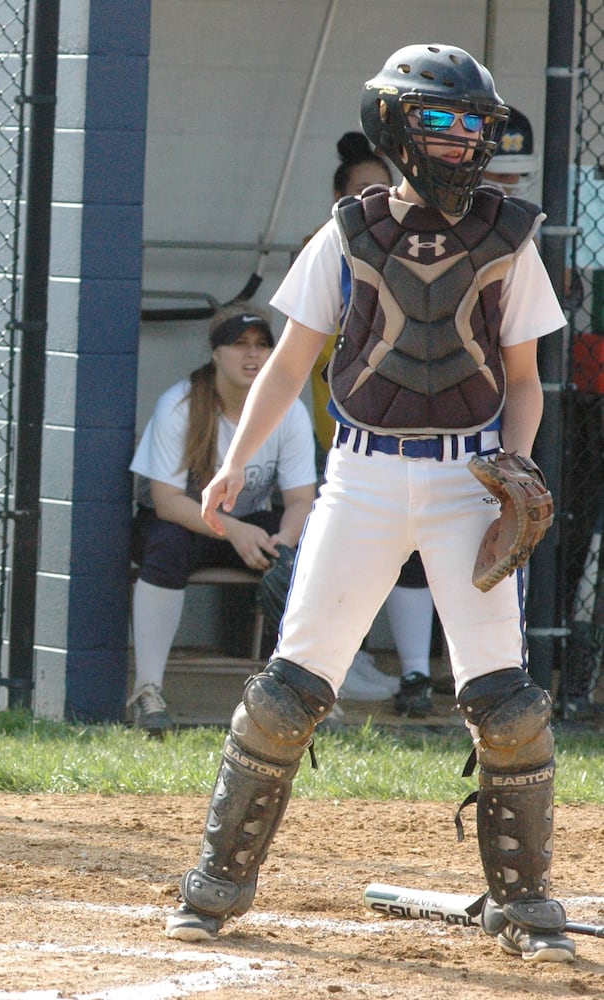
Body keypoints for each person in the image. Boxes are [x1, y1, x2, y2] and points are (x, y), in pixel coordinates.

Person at [164, 45, 574, 963]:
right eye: (445, 123)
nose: (465, 143)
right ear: (397, 128)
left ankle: (524, 903)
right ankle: (215, 886)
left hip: (470, 480)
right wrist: (234, 463)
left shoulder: (510, 234)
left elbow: (522, 379)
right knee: (288, 690)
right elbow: (289, 361)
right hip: (365, 474)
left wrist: (516, 461)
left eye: (476, 126)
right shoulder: (348, 232)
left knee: (505, 703)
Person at [127, 305, 317, 734]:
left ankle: (303, 694)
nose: (252, 356)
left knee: (308, 552)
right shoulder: (180, 404)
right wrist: (233, 530)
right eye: (238, 345)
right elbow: (166, 501)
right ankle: (147, 691)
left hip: (249, 527)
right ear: (215, 353)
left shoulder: (288, 409)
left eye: (262, 345)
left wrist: (282, 544)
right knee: (165, 545)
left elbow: (302, 499)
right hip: (188, 523)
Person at [309, 132, 439, 718]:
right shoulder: (328, 247)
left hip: (399, 435)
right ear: (339, 195)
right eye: (359, 189)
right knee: (342, 557)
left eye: (378, 187)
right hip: (332, 430)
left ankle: (415, 672)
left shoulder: (410, 251)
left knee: (412, 554)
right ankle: (332, 667)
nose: (371, 198)